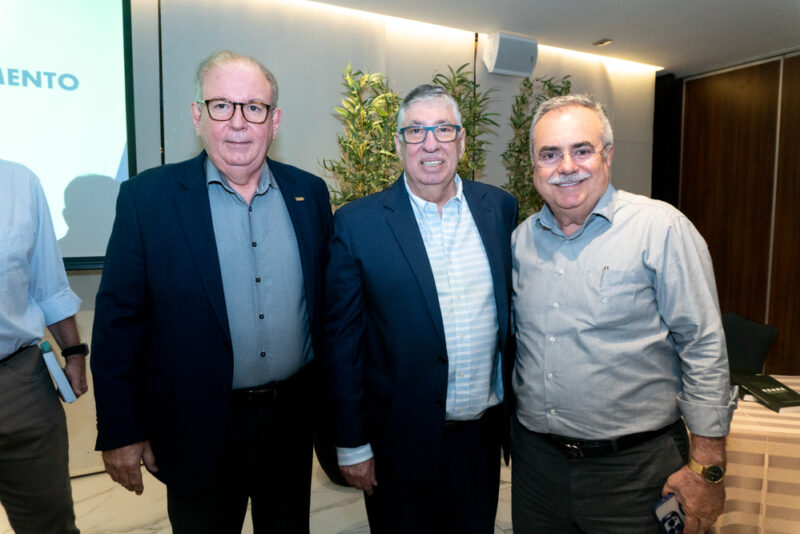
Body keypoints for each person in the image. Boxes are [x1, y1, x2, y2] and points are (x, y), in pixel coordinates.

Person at [90, 51, 332, 533]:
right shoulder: (148, 199)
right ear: (197, 115)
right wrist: (121, 429)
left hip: (291, 421)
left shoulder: (310, 193)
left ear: (274, 121)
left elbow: (326, 309)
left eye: (254, 107)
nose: (238, 122)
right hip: (195, 424)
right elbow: (119, 324)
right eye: (221, 105)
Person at [510, 94, 736, 534]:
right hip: (538, 469)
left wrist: (708, 467)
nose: (566, 166)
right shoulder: (521, 241)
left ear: (608, 155)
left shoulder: (661, 229)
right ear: (534, 166)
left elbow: (703, 344)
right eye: (549, 154)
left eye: (582, 150)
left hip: (637, 473)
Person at [324, 84, 518, 533]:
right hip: (398, 442)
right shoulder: (358, 223)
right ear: (398, 144)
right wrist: (352, 444)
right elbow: (342, 344)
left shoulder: (499, 208)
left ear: (462, 141)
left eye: (443, 129)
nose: (431, 144)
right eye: (416, 131)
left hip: (481, 439)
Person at [0, 158, 89, 533]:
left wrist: (74, 352)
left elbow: (47, 285)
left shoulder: (20, 182)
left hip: (19, 383)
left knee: (51, 525)